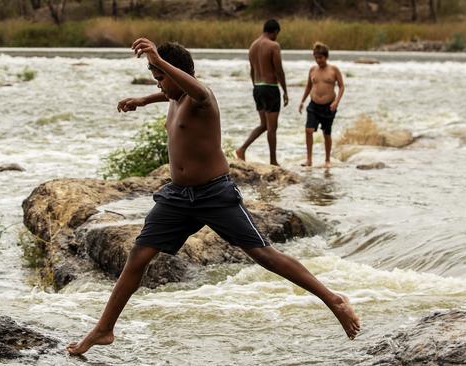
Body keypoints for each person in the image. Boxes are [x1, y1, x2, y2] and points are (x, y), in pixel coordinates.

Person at [66, 38, 360, 356]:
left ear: (176, 72)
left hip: (214, 194)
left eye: (160, 76)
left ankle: (334, 299)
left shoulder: (201, 97)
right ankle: (104, 328)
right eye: (155, 78)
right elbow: (170, 92)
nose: (159, 84)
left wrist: (158, 61)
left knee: (264, 255)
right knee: (137, 257)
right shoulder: (173, 94)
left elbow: (196, 90)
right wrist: (143, 98)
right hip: (178, 197)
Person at [235, 19, 288, 166]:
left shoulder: (253, 46)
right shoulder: (273, 45)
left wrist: (256, 87)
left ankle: (242, 149)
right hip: (270, 87)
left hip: (257, 87)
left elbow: (252, 70)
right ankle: (273, 161)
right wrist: (285, 91)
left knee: (264, 125)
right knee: (272, 128)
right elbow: (279, 70)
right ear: (275, 31)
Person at [298, 42, 344, 168]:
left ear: (326, 57)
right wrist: (302, 101)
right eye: (316, 58)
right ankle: (309, 159)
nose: (318, 60)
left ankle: (327, 159)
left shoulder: (334, 70)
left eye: (321, 58)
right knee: (309, 130)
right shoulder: (312, 70)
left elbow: (341, 86)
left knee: (326, 133)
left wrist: (336, 101)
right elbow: (308, 86)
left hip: (329, 106)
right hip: (313, 105)